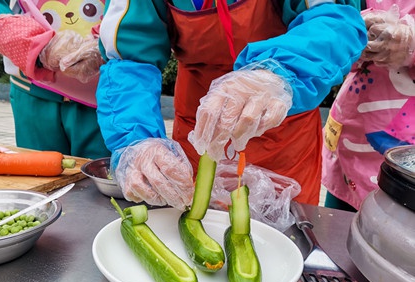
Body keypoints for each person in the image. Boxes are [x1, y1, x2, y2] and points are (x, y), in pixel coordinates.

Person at [96, 0, 367, 210]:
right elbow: (129, 59)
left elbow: (333, 18)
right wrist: (136, 140)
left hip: (282, 120)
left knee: (285, 242)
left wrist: (275, 73)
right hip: (197, 124)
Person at [0, 0, 110, 159]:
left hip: (104, 88)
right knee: (38, 172)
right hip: (32, 90)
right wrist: (35, 44)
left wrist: (107, 41)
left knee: (104, 174)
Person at [322, 0, 415, 212]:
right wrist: (352, 30)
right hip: (350, 140)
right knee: (333, 228)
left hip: (404, 156)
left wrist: (411, 43)